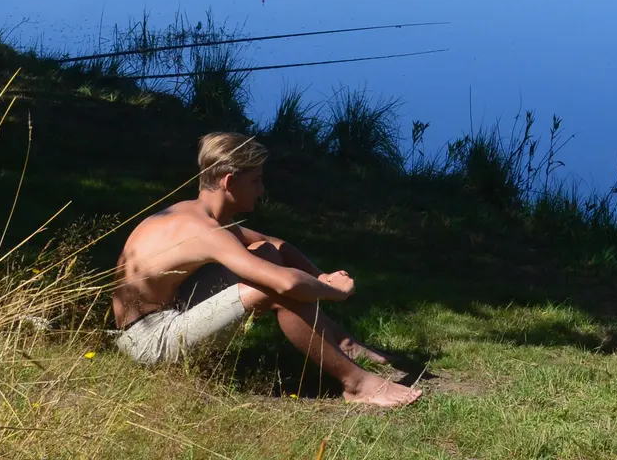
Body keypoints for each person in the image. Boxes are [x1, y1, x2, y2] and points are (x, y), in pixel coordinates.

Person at [111, 132, 421, 408]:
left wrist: (319, 275)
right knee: (273, 289)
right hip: (151, 342)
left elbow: (275, 243)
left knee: (267, 254)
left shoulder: (197, 213)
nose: (262, 189)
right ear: (229, 182)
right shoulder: (203, 230)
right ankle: (358, 385)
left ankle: (343, 344)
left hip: (168, 312)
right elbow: (285, 284)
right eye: (256, 180)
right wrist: (333, 291)